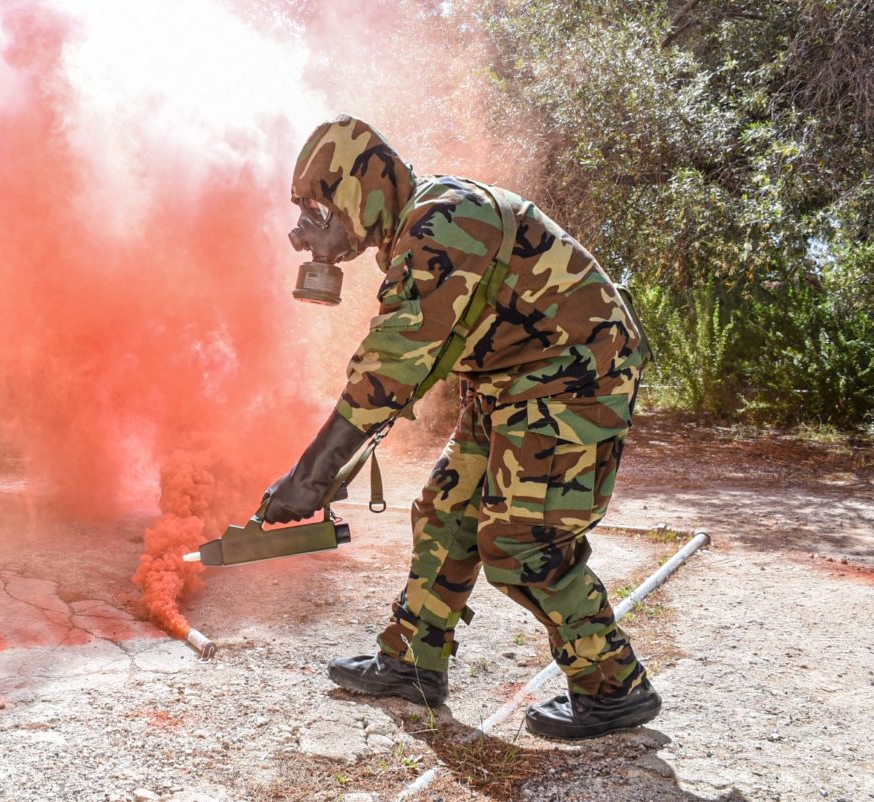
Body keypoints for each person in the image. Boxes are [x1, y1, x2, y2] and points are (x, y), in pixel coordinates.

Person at [265, 115, 658, 740]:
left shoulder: (442, 222)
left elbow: (390, 365)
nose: (318, 224)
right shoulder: (415, 230)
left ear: (361, 187)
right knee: (446, 511)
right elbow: (410, 359)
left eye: (324, 206)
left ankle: (613, 687)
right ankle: (413, 663)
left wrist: (309, 476)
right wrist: (326, 469)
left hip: (575, 372)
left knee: (522, 540)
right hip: (513, 378)